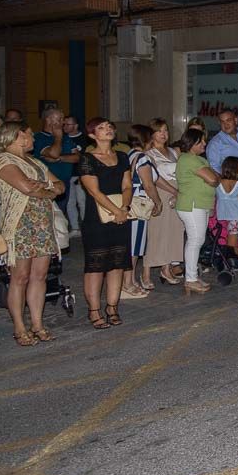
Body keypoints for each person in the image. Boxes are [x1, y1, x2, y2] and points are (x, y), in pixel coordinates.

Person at [0, 122, 63, 345]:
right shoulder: (3, 160)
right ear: (18, 136)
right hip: (20, 223)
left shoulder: (34, 161)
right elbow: (25, 187)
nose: (33, 138)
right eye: (30, 134)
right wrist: (47, 188)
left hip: (42, 222)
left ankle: (37, 323)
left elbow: (60, 185)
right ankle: (19, 327)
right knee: (20, 277)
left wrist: (43, 186)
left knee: (39, 276)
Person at [77, 118, 134, 329]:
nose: (107, 130)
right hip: (97, 218)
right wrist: (116, 210)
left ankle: (112, 307)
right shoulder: (87, 159)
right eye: (101, 128)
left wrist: (125, 209)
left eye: (110, 126)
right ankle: (94, 310)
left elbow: (127, 185)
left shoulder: (122, 156)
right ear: (92, 135)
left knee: (117, 263)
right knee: (96, 266)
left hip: (121, 214)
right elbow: (94, 190)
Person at [174, 127, 219, 293]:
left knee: (197, 240)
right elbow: (213, 178)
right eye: (201, 141)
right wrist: (212, 179)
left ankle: (192, 276)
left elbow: (213, 178)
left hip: (201, 204)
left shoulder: (198, 159)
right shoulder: (189, 159)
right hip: (192, 205)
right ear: (192, 143)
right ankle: (190, 279)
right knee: (195, 240)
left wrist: (212, 179)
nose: (205, 144)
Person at [144, 119, 186, 285]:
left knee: (173, 231)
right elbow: (154, 177)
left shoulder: (173, 152)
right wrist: (173, 191)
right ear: (152, 134)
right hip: (161, 191)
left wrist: (179, 191)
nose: (163, 134)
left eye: (166, 130)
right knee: (156, 232)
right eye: (159, 131)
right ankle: (146, 273)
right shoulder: (149, 153)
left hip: (176, 193)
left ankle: (166, 267)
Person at [123, 125, 162, 299]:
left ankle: (129, 281)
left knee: (131, 245)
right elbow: (148, 184)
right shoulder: (142, 159)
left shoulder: (129, 154)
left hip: (130, 202)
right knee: (135, 246)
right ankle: (127, 283)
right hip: (140, 204)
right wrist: (158, 201)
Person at [32, 107, 79, 218]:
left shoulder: (66, 138)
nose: (63, 122)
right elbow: (53, 153)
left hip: (65, 183)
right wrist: (58, 138)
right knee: (48, 217)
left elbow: (77, 157)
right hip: (47, 185)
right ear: (48, 120)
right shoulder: (39, 138)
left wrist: (60, 158)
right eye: (60, 118)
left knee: (61, 217)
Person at [205, 110, 238, 182]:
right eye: (222, 122)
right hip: (232, 187)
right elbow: (214, 168)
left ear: (236, 120)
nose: (226, 124)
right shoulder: (215, 143)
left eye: (228, 120)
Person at [215, 156, 238, 260]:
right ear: (236, 169)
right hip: (236, 217)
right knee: (230, 245)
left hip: (221, 217)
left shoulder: (217, 183)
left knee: (228, 245)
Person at [62, 114, 88, 234]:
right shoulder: (61, 138)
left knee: (82, 201)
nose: (65, 126)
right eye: (64, 124)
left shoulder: (85, 139)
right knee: (69, 202)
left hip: (80, 175)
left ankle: (85, 227)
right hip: (67, 174)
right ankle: (75, 228)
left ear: (76, 125)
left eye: (68, 124)